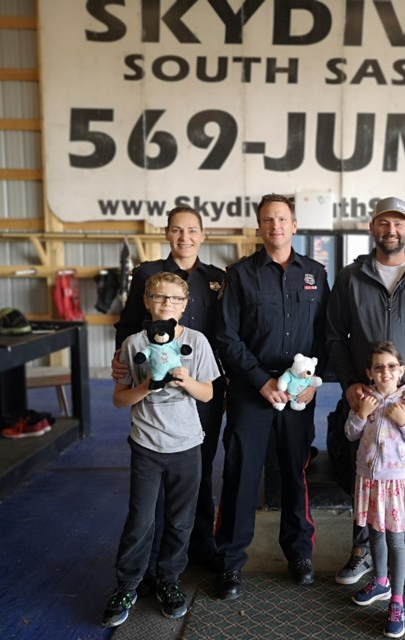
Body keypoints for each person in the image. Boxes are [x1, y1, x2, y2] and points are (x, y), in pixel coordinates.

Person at [326, 196, 405, 591]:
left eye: (398, 223)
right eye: (384, 223)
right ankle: (363, 552)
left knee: (403, 481)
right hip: (365, 401)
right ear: (372, 228)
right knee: (364, 475)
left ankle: (402, 554)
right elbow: (333, 337)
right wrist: (350, 383)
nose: (391, 231)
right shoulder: (351, 277)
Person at [213, 194, 330, 600]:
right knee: (242, 474)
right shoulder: (239, 275)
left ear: (295, 225)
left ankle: (299, 553)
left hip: (298, 393)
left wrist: (317, 380)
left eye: (282, 219)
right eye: (267, 220)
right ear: (259, 227)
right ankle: (228, 562)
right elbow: (226, 336)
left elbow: (325, 334)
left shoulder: (315, 273)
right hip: (252, 391)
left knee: (295, 474)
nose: (275, 225)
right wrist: (261, 381)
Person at [102, 272, 221, 628]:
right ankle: (128, 584)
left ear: (184, 306)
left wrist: (186, 381)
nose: (165, 303)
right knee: (141, 520)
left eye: (173, 299)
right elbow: (120, 400)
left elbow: (209, 394)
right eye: (158, 297)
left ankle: (169, 580)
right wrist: (147, 389)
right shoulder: (133, 344)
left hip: (187, 445)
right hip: (146, 445)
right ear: (146, 301)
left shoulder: (197, 342)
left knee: (181, 519)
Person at [112, 206, 227, 573]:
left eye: (192, 230)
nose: (185, 238)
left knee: (200, 467)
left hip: (200, 383)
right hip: (155, 389)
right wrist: (121, 360)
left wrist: (215, 380)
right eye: (177, 230)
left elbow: (225, 330)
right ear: (167, 233)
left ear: (203, 235)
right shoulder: (147, 274)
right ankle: (155, 556)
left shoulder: (217, 279)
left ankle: (201, 546)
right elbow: (128, 324)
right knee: (154, 484)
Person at [345, 341, 405, 639]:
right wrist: (360, 413)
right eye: (378, 367)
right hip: (368, 480)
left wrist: (403, 421)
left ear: (401, 371)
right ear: (370, 372)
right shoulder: (365, 398)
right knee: (374, 534)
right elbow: (350, 433)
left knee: (395, 541)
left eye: (392, 366)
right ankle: (380, 582)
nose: (385, 372)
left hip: (393, 483)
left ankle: (397, 601)